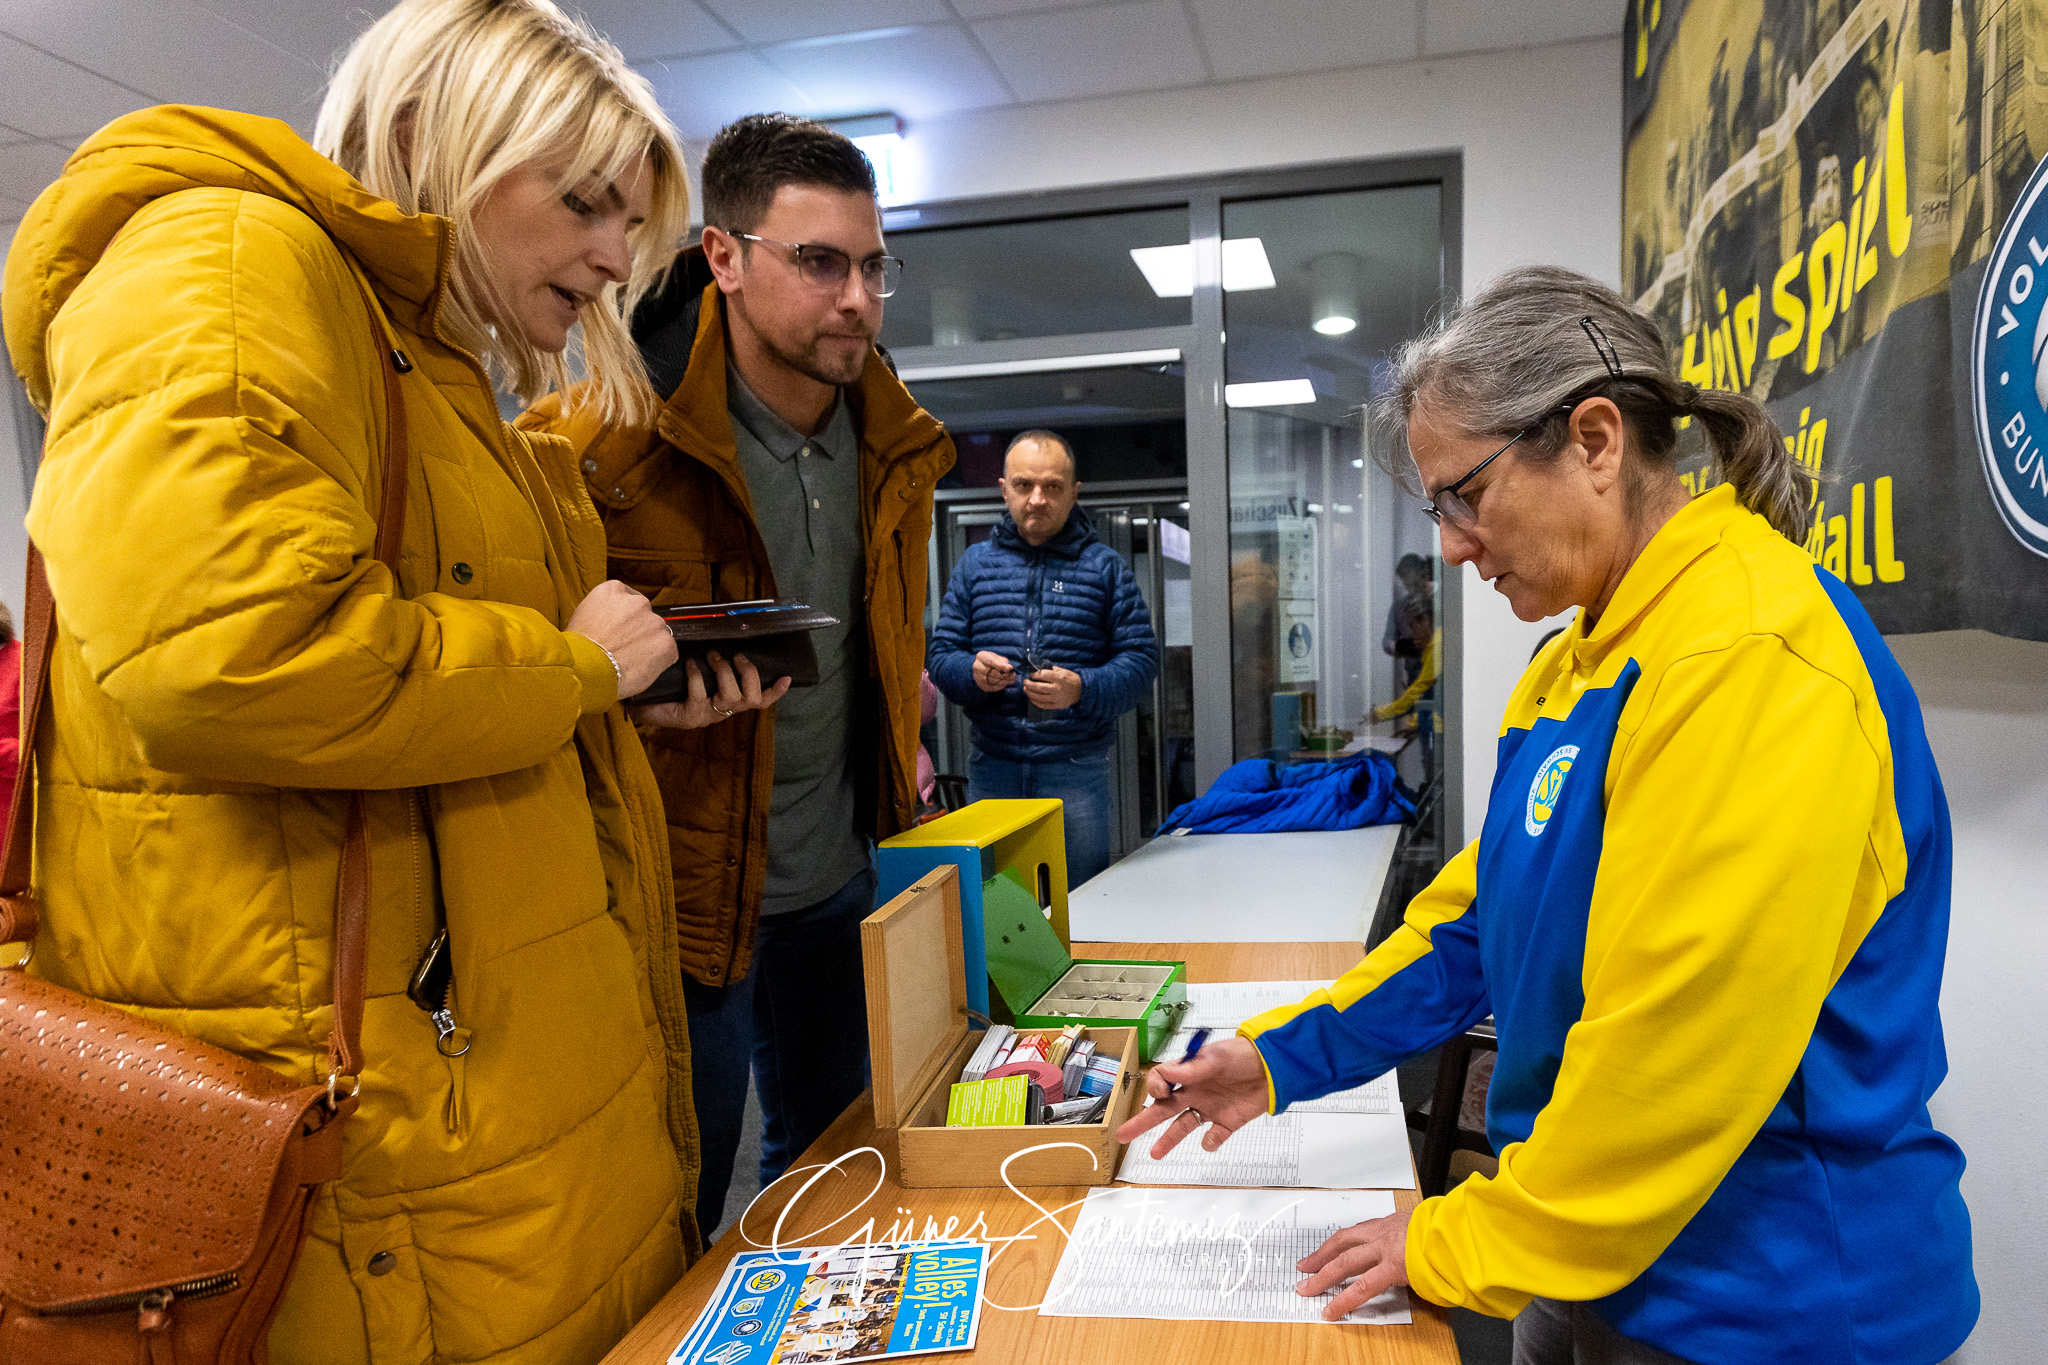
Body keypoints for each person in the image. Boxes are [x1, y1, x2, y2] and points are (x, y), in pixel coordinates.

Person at [0, 2, 725, 1360]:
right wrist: (575, 669)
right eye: (579, 200)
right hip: (383, 1165)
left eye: (628, 221)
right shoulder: (227, 260)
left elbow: (447, 687)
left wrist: (615, 699)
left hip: (490, 1138)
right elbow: (238, 652)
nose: (616, 257)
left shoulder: (438, 371)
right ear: (422, 137)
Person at [1121, 265, 1977, 1365]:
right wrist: (1278, 1057)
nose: (1448, 543)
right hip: (1581, 1258)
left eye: (1462, 496)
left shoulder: (1751, 657)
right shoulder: (1576, 657)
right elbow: (1475, 929)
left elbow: (1678, 1058)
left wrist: (1458, 1239)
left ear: (1593, 441)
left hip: (1769, 1302)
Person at [520, 113, 954, 1237]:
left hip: (839, 878)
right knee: (672, 1202)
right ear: (723, 257)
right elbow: (528, 685)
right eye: (817, 263)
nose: (855, 297)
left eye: (871, 266)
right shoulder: (594, 444)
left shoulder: (899, 445)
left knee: (830, 1170)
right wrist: (631, 704)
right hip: (673, 902)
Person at [927, 430, 1160, 885]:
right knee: (997, 907)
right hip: (992, 768)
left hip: (1075, 771)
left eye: (1052, 486)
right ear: (1003, 489)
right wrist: (971, 672)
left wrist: (1081, 688)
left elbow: (1140, 662)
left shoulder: (1104, 568)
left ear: (1074, 494)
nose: (1037, 499)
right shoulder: (975, 565)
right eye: (1023, 485)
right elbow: (941, 656)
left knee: (1081, 904)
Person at [1380, 551, 1434, 688]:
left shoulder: (1440, 602)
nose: (1412, 590)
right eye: (1407, 585)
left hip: (1438, 674)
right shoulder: (1399, 607)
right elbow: (1387, 640)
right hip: (1413, 675)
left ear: (1424, 575)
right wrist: (1400, 647)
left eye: (1415, 584)